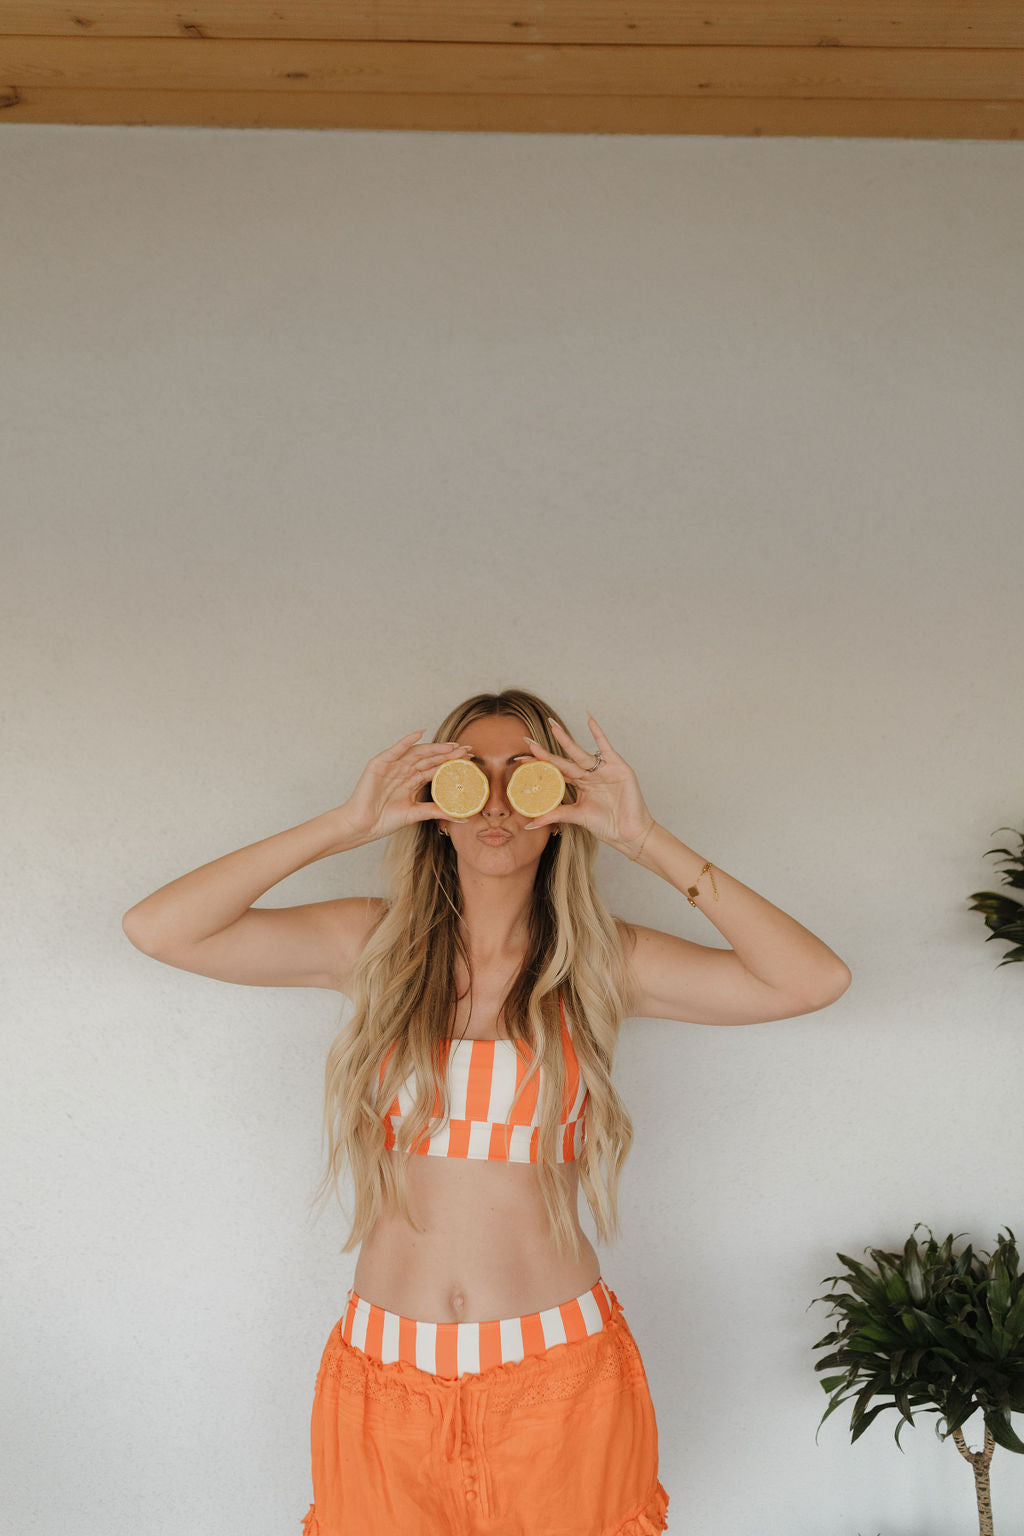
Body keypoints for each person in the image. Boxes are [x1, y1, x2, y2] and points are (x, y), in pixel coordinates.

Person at [122, 687, 852, 1534]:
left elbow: (811, 980)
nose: (498, 801)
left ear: (563, 805)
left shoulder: (603, 962)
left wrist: (644, 839)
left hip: (558, 1381)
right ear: (437, 804)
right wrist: (347, 825)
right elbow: (159, 928)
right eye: (470, 776)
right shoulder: (372, 945)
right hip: (384, 1383)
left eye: (528, 777)